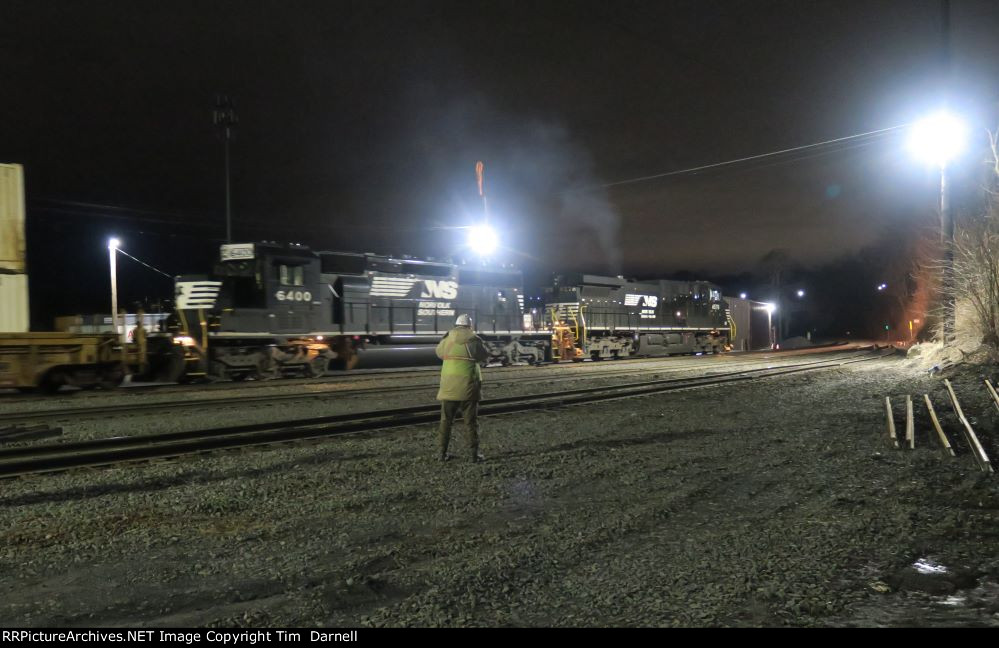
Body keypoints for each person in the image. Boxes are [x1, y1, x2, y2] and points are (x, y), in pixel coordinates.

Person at [435, 313, 490, 462]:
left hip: (448, 388)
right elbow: (484, 355)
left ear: (456, 324)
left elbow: (439, 353)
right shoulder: (474, 339)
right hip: (468, 388)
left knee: (445, 422)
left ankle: (441, 454)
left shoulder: (447, 338)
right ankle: (474, 456)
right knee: (471, 423)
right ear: (469, 326)